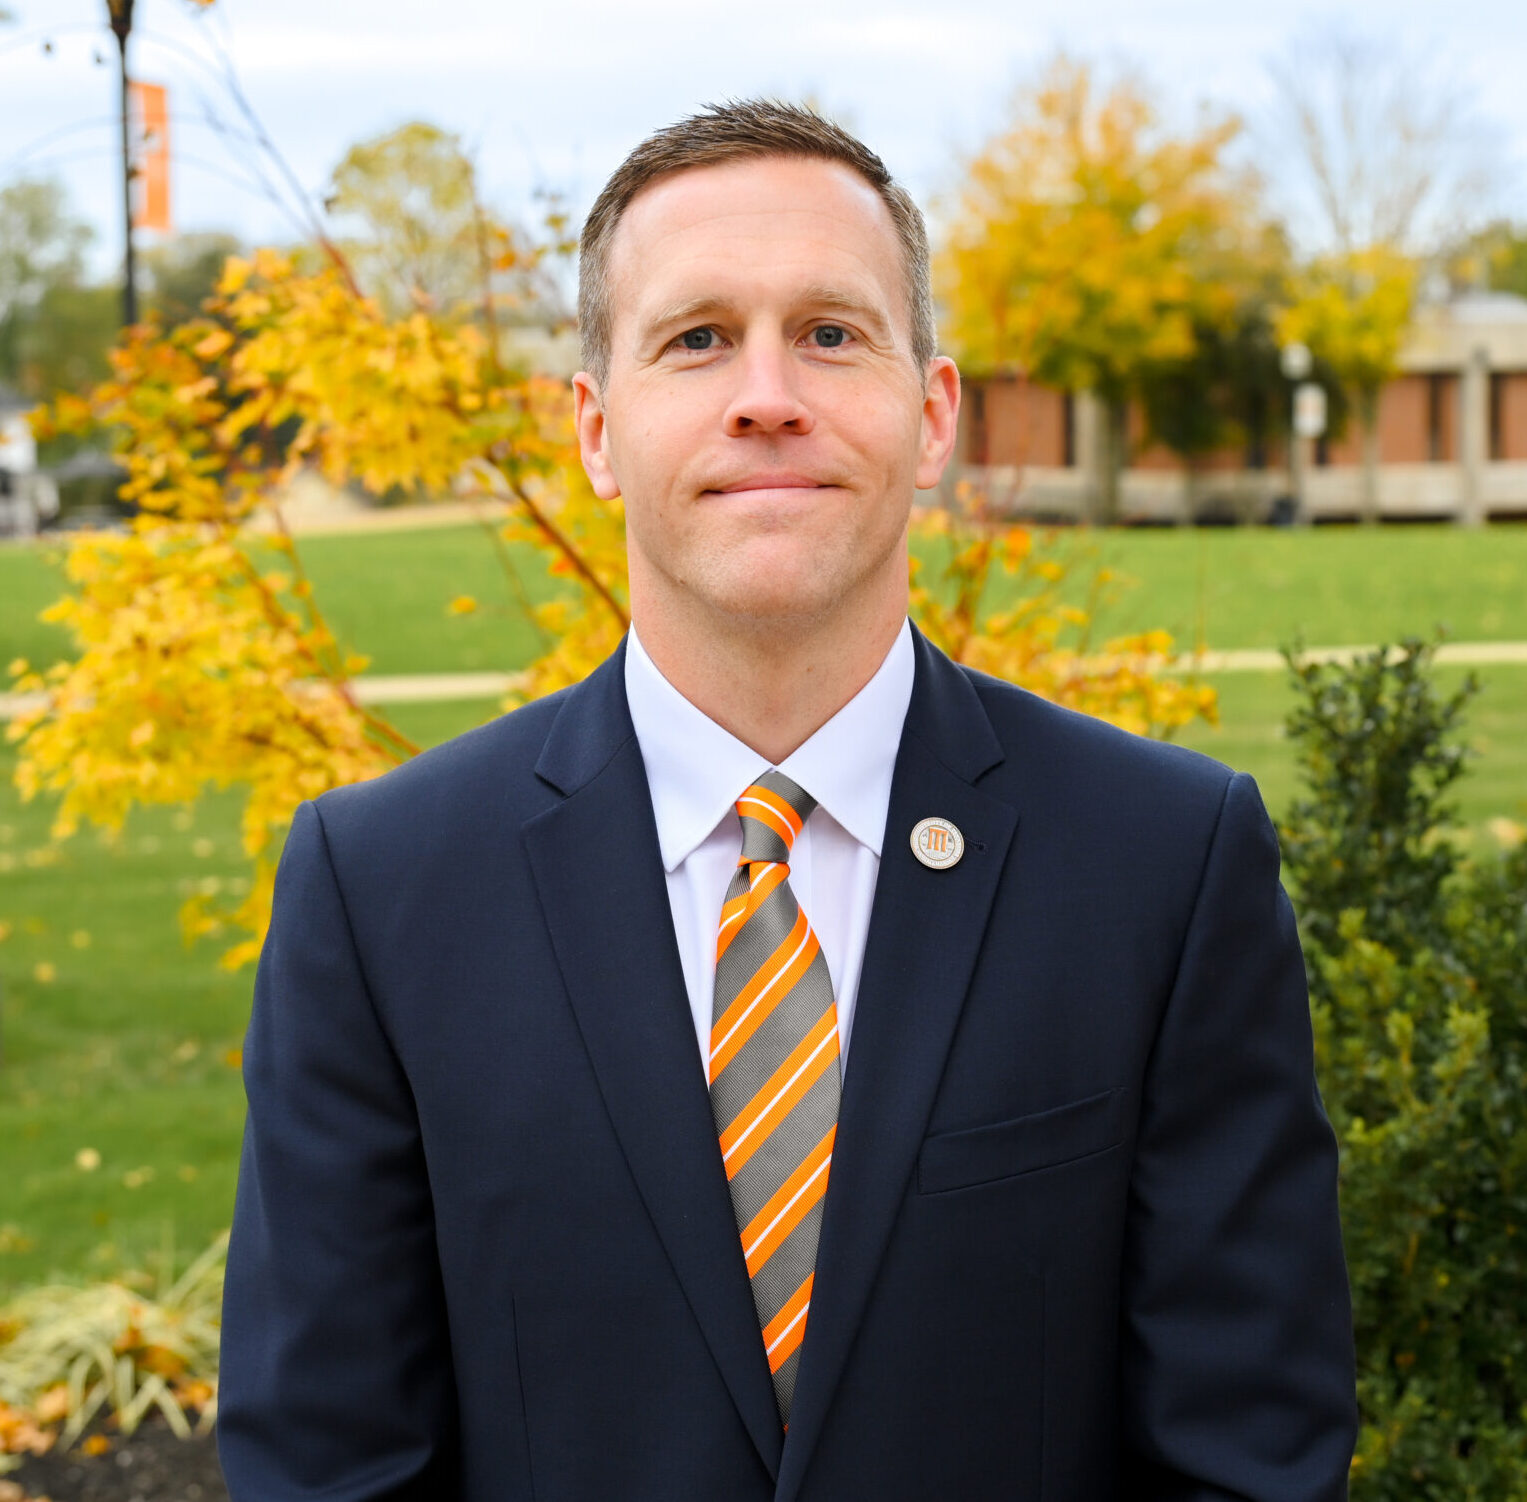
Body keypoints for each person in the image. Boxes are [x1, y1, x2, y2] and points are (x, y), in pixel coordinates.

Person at [217, 100, 1357, 1501]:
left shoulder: (1165, 867)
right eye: (696, 339)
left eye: (831, 332)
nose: (768, 392)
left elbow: (1246, 1460)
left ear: (932, 415)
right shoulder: (381, 891)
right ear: (593, 429)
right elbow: (327, 1466)